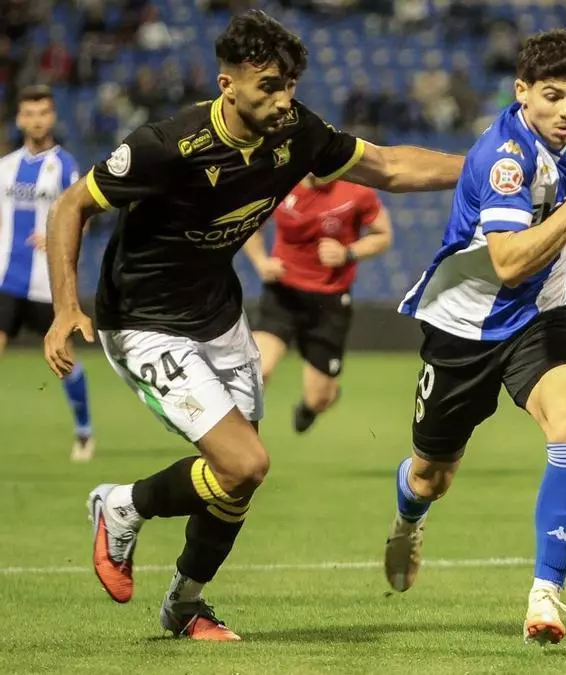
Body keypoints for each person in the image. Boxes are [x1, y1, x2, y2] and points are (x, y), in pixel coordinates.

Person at [41, 10, 463, 640]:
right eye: (268, 85)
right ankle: (122, 504)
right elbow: (70, 205)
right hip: (143, 322)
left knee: (236, 483)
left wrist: (483, 167)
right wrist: (64, 307)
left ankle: (185, 604)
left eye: (289, 84)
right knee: (245, 463)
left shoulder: (297, 132)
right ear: (228, 85)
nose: (283, 99)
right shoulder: (167, 145)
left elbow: (390, 167)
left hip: (218, 316)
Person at [385, 29, 566, 646]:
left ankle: (546, 594)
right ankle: (409, 514)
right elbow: (510, 262)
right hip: (463, 330)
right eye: (552, 96)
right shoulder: (503, 157)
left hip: (540, 319)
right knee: (432, 475)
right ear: (522, 92)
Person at [246, 175, 393, 433]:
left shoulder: (357, 191)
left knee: (319, 398)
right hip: (283, 293)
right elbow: (248, 222)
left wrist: (348, 252)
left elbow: (383, 235)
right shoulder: (280, 179)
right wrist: (260, 262)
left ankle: (312, 406)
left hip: (329, 301)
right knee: (257, 372)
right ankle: (239, 443)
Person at [0, 85, 94, 462]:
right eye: (29, 114)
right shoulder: (6, 167)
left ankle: (84, 431)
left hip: (47, 283)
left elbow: (83, 217)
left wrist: (58, 235)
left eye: (43, 113)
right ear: (20, 119)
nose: (36, 120)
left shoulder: (65, 166)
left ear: (52, 117)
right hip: (6, 279)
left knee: (63, 360)